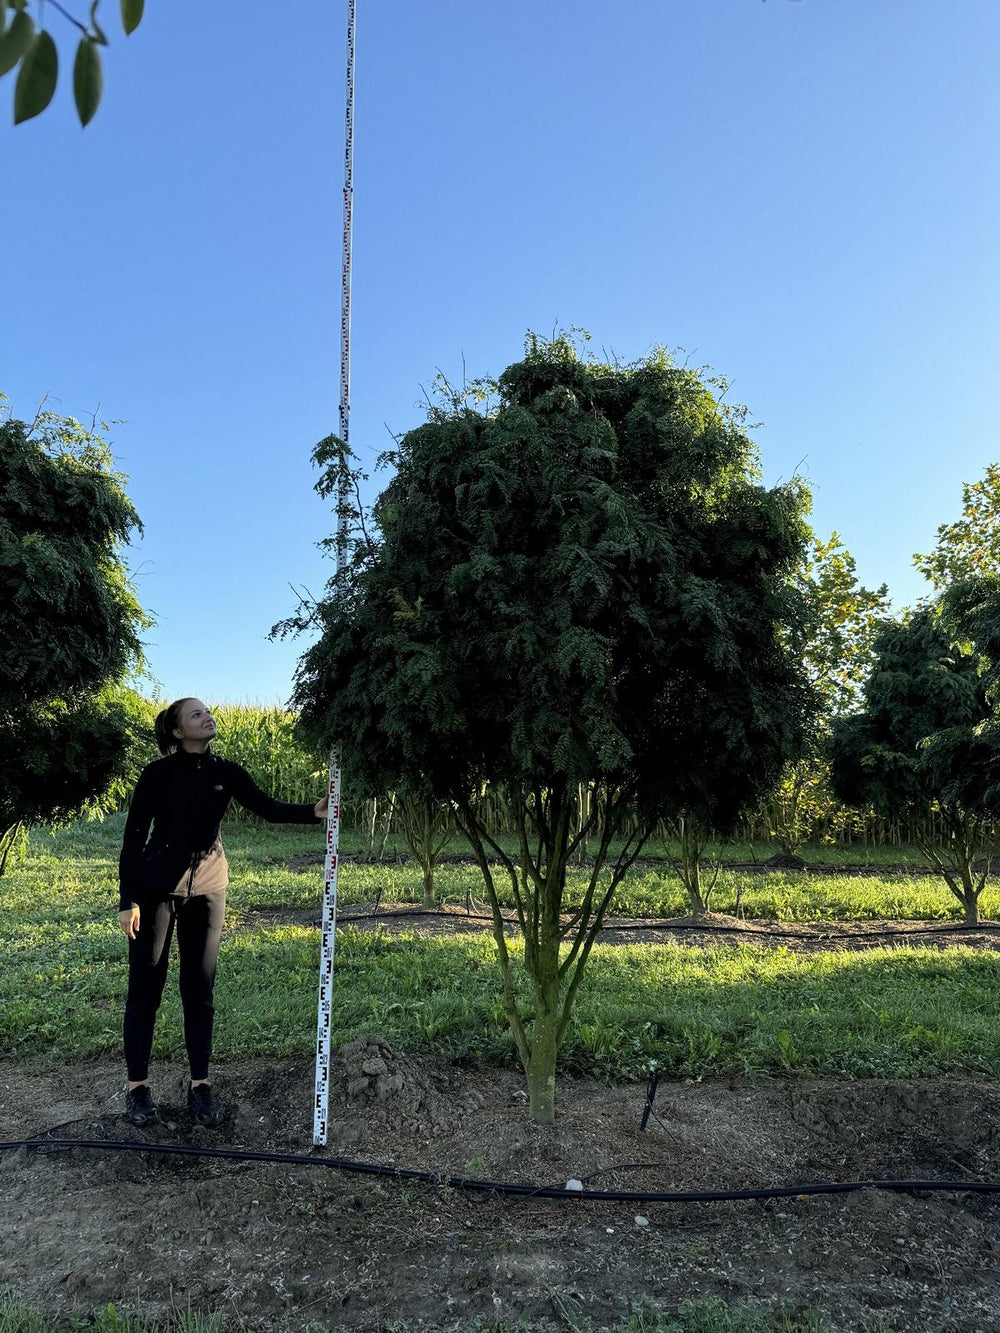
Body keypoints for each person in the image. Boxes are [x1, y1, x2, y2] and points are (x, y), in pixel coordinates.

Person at [118, 697, 327, 1127]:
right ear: (177, 732)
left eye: (207, 711)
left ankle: (200, 1085)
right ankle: (137, 1088)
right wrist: (128, 900)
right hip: (156, 889)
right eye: (196, 714)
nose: (207, 716)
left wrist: (312, 813)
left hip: (210, 887)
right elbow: (133, 838)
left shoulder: (225, 772)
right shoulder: (156, 775)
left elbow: (265, 807)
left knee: (200, 989)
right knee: (145, 989)